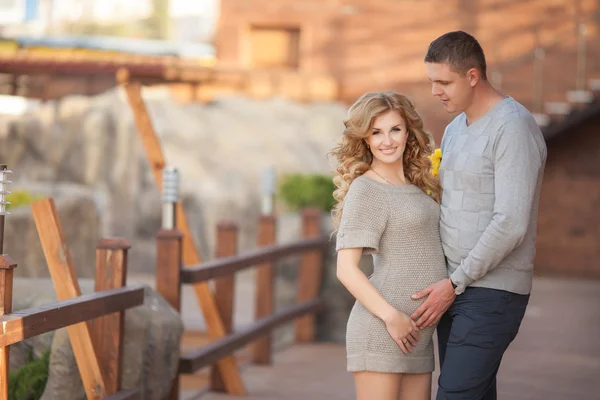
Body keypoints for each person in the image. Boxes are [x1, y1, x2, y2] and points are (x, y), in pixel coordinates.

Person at [410, 31, 548, 399]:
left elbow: (511, 222)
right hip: (450, 289)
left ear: (473, 76)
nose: (436, 91)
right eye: (431, 81)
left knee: (454, 393)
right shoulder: (455, 129)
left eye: (444, 82)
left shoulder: (513, 128)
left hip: (490, 292)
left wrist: (455, 282)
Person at [331, 91, 447, 400]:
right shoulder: (366, 189)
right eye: (376, 132)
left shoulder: (418, 185)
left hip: (418, 334)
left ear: (408, 132)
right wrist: (391, 317)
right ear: (364, 139)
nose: (387, 140)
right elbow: (346, 269)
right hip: (383, 328)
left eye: (395, 129)